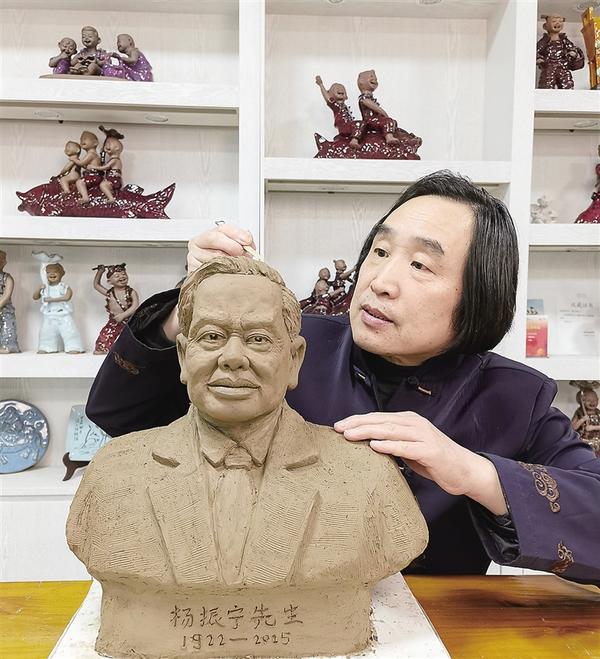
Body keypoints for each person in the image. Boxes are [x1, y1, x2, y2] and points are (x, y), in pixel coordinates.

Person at [86, 171, 600, 585]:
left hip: (433, 626)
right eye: (380, 251)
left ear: (480, 294)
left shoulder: (515, 396)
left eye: (421, 265)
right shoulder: (288, 345)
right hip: (271, 612)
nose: (380, 281)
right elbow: (118, 414)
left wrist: (475, 473)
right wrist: (191, 305)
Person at [68, 257, 427, 658]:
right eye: (211, 337)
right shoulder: (114, 474)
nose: (233, 357)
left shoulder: (367, 477)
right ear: (183, 357)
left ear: (294, 360)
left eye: (258, 339)